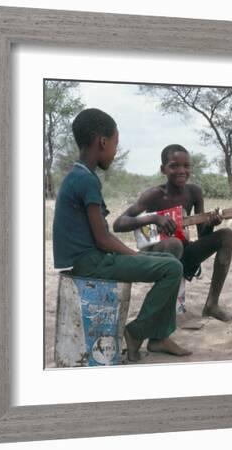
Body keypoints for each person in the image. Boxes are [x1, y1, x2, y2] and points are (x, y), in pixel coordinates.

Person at [52, 109, 191, 362]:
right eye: (115, 144)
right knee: (171, 268)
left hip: (88, 258)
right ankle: (139, 333)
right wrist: (135, 255)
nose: (116, 151)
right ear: (102, 142)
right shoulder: (86, 181)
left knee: (170, 264)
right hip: (91, 262)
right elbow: (103, 239)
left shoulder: (78, 175)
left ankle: (158, 337)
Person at [113, 144, 232, 322]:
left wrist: (210, 224)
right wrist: (154, 219)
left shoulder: (194, 192)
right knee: (173, 243)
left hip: (184, 253)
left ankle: (212, 305)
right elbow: (119, 224)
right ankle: (164, 313)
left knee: (227, 235)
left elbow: (203, 236)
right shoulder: (154, 195)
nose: (181, 171)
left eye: (186, 166)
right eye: (174, 166)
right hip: (157, 257)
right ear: (163, 169)